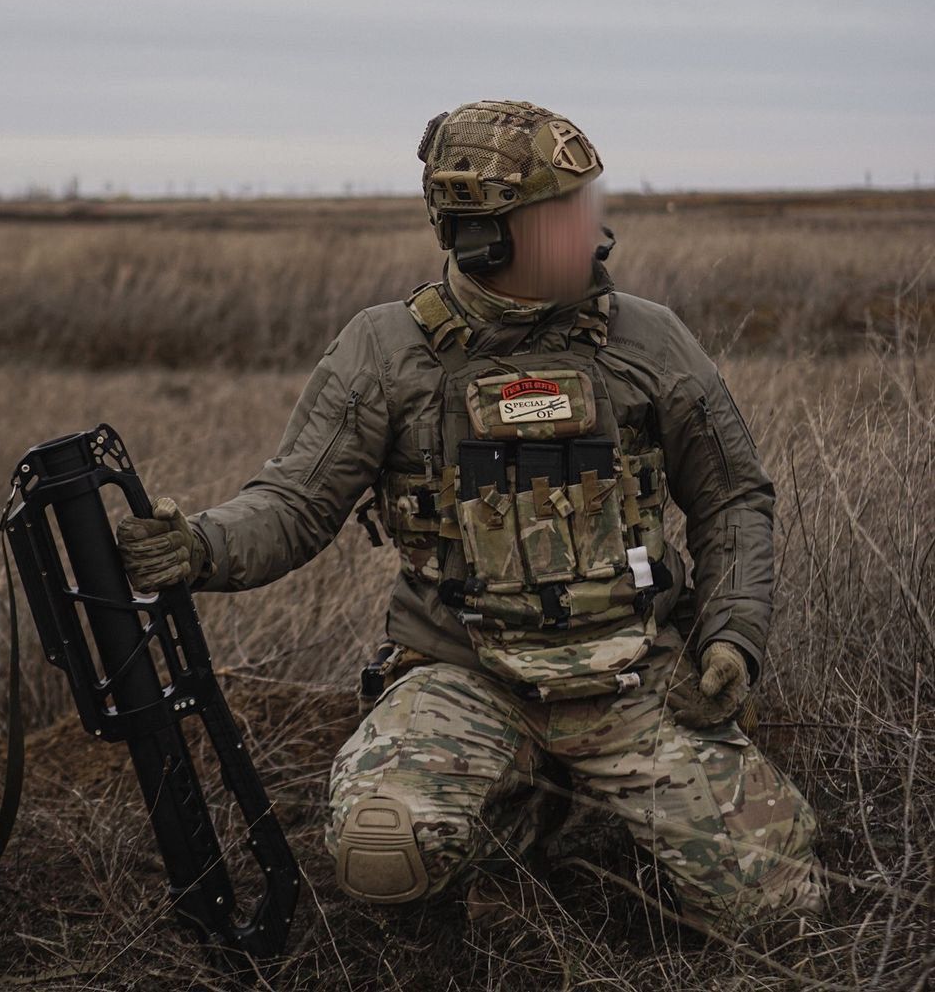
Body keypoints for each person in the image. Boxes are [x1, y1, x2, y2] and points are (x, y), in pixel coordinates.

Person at [115, 99, 825, 935]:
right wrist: (196, 544)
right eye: (563, 212)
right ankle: (511, 817)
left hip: (634, 677)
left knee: (779, 909)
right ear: (484, 234)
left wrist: (732, 636)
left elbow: (734, 496)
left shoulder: (650, 340)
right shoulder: (386, 353)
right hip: (464, 677)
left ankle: (580, 801)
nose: (594, 228)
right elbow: (293, 505)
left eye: (588, 203)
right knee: (386, 856)